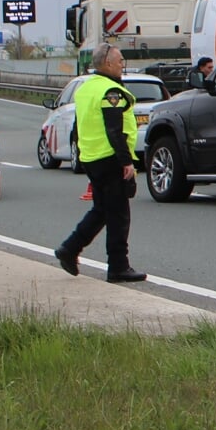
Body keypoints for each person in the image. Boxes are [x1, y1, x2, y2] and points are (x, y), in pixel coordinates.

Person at [55, 42, 148, 283]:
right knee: (118, 215)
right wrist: (126, 161)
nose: (122, 66)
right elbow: (114, 129)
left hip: (91, 157)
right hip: (110, 158)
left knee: (102, 210)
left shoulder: (86, 88)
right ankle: (118, 267)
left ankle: (70, 248)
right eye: (119, 62)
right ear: (108, 63)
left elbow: (79, 126)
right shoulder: (110, 92)